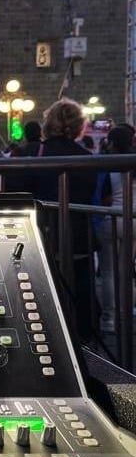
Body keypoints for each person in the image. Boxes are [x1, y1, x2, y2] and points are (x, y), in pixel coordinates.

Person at [22, 98, 99, 343]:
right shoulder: (87, 158)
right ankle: (84, 343)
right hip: (78, 233)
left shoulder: (34, 153)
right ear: (78, 126)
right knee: (81, 290)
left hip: (42, 233)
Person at [95, 125, 136, 332]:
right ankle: (127, 314)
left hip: (111, 219)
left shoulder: (109, 165)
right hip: (133, 219)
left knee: (108, 272)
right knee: (127, 270)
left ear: (111, 143)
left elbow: (105, 198)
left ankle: (110, 318)